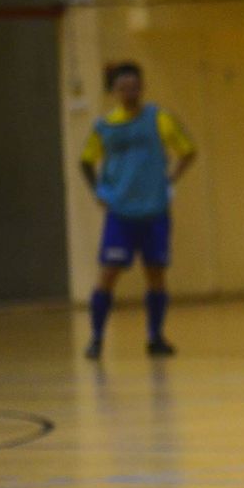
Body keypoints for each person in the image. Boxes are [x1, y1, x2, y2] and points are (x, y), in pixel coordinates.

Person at [79, 61, 196, 359]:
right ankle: (96, 338)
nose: (129, 93)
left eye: (134, 87)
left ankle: (156, 337)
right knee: (108, 274)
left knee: (155, 274)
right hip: (120, 214)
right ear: (114, 91)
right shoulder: (104, 127)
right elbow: (85, 160)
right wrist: (98, 192)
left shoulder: (160, 119)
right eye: (123, 88)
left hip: (154, 211)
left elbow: (187, 150)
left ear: (142, 88)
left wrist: (171, 178)